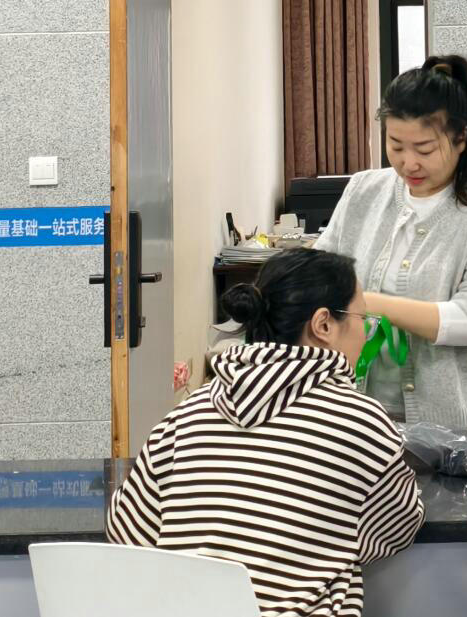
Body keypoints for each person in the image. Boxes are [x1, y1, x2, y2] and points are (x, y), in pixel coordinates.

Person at [106, 248, 424, 617]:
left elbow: (126, 530)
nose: (366, 332)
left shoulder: (189, 412)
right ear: (323, 325)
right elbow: (398, 525)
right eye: (361, 318)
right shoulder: (361, 422)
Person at [316, 55, 467, 431]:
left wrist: (369, 303)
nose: (408, 163)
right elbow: (320, 274)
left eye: (424, 150)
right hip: (360, 417)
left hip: (452, 429)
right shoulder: (363, 190)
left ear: (462, 138)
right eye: (396, 146)